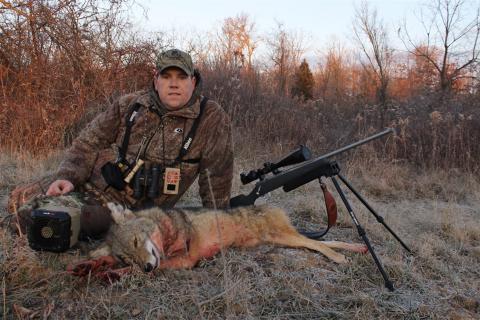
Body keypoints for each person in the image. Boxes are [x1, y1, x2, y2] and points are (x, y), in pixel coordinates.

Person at [6, 49, 234, 237]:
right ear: (156, 80)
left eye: (181, 77)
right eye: (167, 76)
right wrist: (67, 176)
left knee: (39, 220)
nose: (174, 84)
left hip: (123, 211)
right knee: (17, 199)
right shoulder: (129, 105)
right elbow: (88, 142)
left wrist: (216, 224)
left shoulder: (211, 118)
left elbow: (217, 176)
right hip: (89, 181)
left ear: (193, 81)